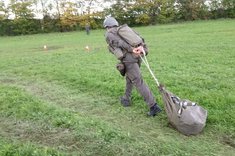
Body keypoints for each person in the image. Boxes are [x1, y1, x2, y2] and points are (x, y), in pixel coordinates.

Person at [103, 16, 162, 117]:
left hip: (129, 59)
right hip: (137, 57)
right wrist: (141, 48)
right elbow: (140, 38)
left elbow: (120, 43)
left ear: (107, 26)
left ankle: (153, 106)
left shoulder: (109, 34)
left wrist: (131, 49)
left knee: (138, 81)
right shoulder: (125, 29)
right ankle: (126, 98)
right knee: (130, 78)